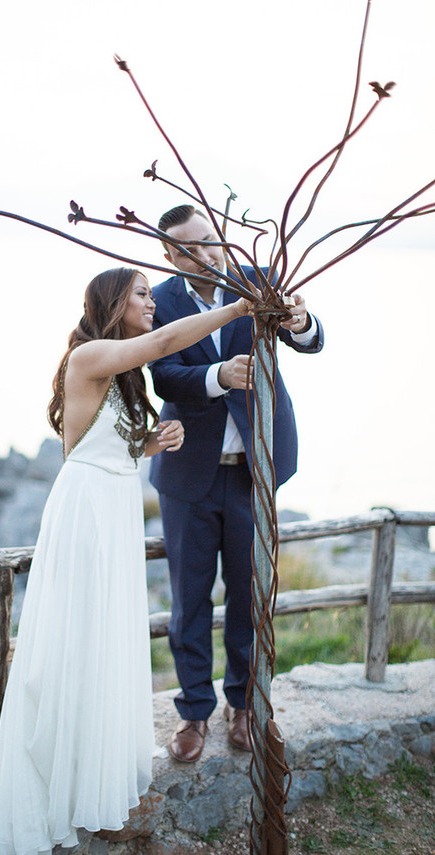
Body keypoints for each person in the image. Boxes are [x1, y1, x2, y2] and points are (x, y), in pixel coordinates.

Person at [0, 267, 255, 854]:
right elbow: (161, 346)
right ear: (113, 302)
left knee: (104, 639)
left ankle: (94, 775)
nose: (153, 304)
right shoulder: (91, 354)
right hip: (85, 512)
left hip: (115, 505)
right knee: (78, 638)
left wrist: (149, 444)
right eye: (143, 294)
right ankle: (65, 770)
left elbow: (108, 444)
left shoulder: (122, 372)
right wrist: (236, 310)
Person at [148, 205, 325, 763]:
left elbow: (312, 338)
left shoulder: (256, 281)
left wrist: (301, 322)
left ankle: (244, 705)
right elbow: (160, 374)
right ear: (171, 255)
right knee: (189, 603)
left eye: (212, 239)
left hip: (257, 471)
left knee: (251, 596)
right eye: (193, 247)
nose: (209, 252)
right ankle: (194, 713)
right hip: (188, 478)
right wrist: (215, 376)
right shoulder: (161, 302)